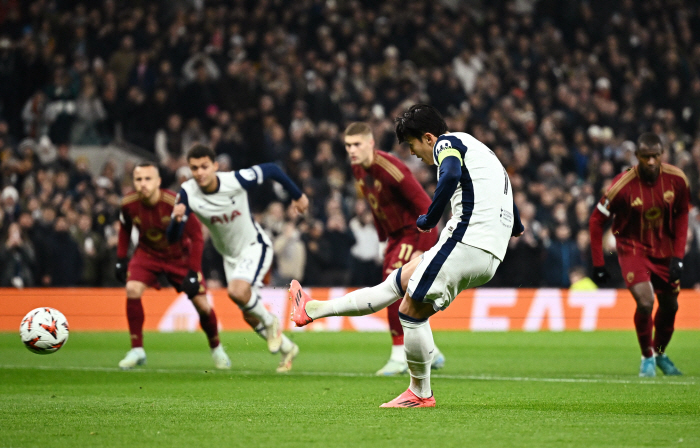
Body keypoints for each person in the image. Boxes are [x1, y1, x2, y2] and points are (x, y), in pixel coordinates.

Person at [290, 104, 523, 407]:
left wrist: (430, 217)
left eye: (412, 145)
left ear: (428, 138)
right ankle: (312, 309)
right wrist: (515, 225)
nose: (414, 154)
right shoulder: (482, 151)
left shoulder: (447, 144)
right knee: (394, 285)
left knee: (409, 311)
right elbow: (506, 197)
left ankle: (420, 392)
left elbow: (450, 174)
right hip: (490, 250)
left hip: (467, 241)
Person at [168, 144, 309, 373]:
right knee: (248, 314)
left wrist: (297, 195)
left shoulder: (235, 180)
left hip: (255, 246)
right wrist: (175, 221)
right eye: (194, 168)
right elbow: (173, 238)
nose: (200, 173)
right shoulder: (187, 192)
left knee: (236, 291)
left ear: (215, 166)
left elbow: (272, 169)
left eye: (204, 166)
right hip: (230, 257)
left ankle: (271, 321)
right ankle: (287, 347)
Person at [343, 121, 443, 376]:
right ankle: (430, 350)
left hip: (415, 232)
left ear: (370, 144)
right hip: (395, 237)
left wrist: (422, 248)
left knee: (392, 287)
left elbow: (426, 206)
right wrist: (380, 240)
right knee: (408, 292)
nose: (352, 150)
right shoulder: (357, 170)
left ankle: (400, 355)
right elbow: (376, 206)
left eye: (356, 145)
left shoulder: (391, 169)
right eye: (348, 146)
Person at [589, 132, 690, 377]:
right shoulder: (621, 186)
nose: (652, 162)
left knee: (671, 305)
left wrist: (678, 256)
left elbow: (681, 216)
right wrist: (598, 264)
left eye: (656, 156)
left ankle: (660, 353)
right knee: (646, 302)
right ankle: (647, 357)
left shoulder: (677, 180)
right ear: (637, 157)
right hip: (633, 249)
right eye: (646, 157)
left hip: (665, 251)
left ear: (662, 155)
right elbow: (595, 219)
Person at [116, 162, 230, 370]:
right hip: (147, 254)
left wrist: (194, 271)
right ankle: (137, 349)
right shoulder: (128, 203)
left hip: (179, 257)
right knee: (132, 289)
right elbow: (125, 227)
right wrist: (121, 258)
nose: (143, 184)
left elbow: (197, 236)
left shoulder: (175, 202)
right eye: (138, 179)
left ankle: (217, 349)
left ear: (158, 182)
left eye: (148, 179)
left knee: (203, 306)